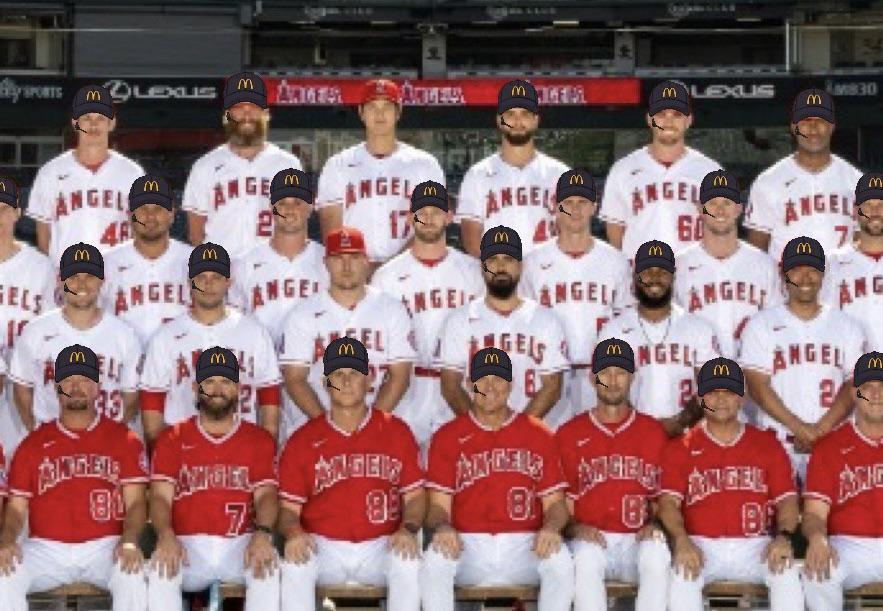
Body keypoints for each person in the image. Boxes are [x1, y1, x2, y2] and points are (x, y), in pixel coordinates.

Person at [421, 347, 575, 611]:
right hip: (468, 545)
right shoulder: (448, 436)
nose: (490, 387)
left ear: (511, 384)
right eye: (483, 379)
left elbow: (556, 505)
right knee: (434, 561)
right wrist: (443, 527)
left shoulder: (538, 433)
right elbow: (437, 507)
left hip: (525, 544)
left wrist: (551, 528)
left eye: (499, 379)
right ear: (470, 384)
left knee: (560, 563)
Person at [278, 337, 425, 611]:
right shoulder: (303, 440)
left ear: (369, 381)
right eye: (338, 374)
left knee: (409, 563)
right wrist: (294, 532)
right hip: (323, 546)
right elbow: (287, 510)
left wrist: (408, 529)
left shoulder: (396, 431)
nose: (346, 382)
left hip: (381, 544)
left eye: (354, 374)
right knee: (294, 566)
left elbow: (416, 498)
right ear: (325, 383)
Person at [0, 344, 148, 611]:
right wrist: (7, 541)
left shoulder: (124, 439)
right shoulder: (32, 444)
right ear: (56, 387)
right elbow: (16, 509)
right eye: (68, 379)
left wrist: (129, 540)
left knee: (133, 575)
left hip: (104, 547)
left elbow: (136, 503)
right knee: (3, 575)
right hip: (46, 550)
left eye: (84, 379)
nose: (76, 386)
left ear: (97, 385)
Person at [658, 357, 804, 611]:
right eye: (713, 393)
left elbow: (787, 500)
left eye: (729, 392)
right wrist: (681, 541)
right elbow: (668, 503)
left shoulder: (767, 444)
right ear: (700, 398)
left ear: (742, 397)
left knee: (786, 571)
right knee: (682, 576)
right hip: (701, 544)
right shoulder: (680, 447)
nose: (721, 400)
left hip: (756, 545)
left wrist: (783, 538)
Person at [147, 347, 280, 611]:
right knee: (159, 570)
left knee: (269, 569)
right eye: (210, 382)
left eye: (225, 382)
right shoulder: (172, 437)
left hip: (240, 542)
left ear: (239, 388)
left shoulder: (258, 438)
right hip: (187, 543)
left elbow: (266, 495)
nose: (217, 389)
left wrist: (263, 534)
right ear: (196, 388)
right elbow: (160, 497)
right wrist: (165, 534)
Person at [740, 235, 867, 482]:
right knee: (780, 519)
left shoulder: (847, 326)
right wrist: (801, 429)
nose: (805, 278)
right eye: (796, 270)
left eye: (812, 270)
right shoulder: (761, 325)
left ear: (823, 274)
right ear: (783, 275)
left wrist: (820, 430)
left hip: (833, 443)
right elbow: (757, 385)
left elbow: (855, 384)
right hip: (776, 443)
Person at [556, 338, 670, 611]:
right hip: (591, 540)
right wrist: (573, 528)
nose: (613, 380)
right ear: (592, 378)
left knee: (657, 556)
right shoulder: (569, 434)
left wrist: (659, 526)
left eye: (620, 373)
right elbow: (558, 503)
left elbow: (665, 499)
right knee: (585, 562)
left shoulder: (653, 432)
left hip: (637, 540)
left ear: (632, 378)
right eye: (606, 373)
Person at [371, 181, 484, 445]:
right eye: (422, 211)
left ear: (449, 216)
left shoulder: (473, 272)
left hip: (460, 386)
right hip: (407, 388)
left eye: (437, 211)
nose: (430, 218)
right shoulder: (387, 277)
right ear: (410, 217)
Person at [139, 242, 282, 450]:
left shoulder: (253, 332)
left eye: (216, 278)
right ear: (189, 283)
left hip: (242, 447)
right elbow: (152, 405)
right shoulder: (165, 337)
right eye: (201, 278)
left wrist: (264, 450)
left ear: (228, 283)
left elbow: (269, 396)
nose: (208, 285)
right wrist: (164, 456)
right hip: (184, 450)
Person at [278, 227, 416, 438]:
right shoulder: (303, 313)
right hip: (317, 430)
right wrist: (329, 428)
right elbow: (295, 379)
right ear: (326, 263)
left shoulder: (391, 309)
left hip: (379, 430)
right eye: (338, 258)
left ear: (366, 261)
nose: (346, 266)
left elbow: (400, 376)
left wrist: (371, 427)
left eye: (353, 257)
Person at [521, 169, 632, 415]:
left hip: (600, 375)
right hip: (547, 375)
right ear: (556, 207)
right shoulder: (532, 261)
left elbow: (627, 325)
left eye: (582, 202)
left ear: (594, 207)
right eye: (568, 202)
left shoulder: (616, 261)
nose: (575, 209)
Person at [437, 225, 571, 429]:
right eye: (493, 260)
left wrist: (516, 432)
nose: (500, 266)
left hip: (530, 436)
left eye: (508, 260)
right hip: (476, 438)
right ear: (482, 267)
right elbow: (450, 386)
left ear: (521, 266)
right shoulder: (459, 320)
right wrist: (481, 428)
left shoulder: (546, 320)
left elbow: (552, 387)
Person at [316, 79, 446, 271]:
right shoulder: (338, 165)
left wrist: (392, 269)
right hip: (354, 271)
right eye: (372, 107)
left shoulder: (424, 165)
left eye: (387, 106)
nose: (379, 114)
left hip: (411, 268)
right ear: (361, 112)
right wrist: (358, 266)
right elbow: (333, 232)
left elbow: (434, 225)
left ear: (398, 112)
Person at [9, 242, 141, 431]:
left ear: (102, 280)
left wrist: (112, 436)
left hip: (105, 440)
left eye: (89, 277)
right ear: (60, 281)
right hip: (50, 437)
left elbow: (131, 398)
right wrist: (36, 432)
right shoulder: (36, 331)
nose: (81, 284)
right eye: (73, 277)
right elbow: (22, 390)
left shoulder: (124, 334)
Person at [597, 239, 720, 436]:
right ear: (636, 278)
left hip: (687, 434)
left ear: (672, 277)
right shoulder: (614, 331)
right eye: (648, 272)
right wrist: (640, 426)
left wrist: (681, 422)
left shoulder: (698, 328)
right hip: (631, 435)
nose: (655, 278)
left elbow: (712, 384)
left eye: (662, 272)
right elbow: (606, 386)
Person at [183, 71, 303, 259]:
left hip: (271, 271)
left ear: (266, 114)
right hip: (222, 272)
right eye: (239, 108)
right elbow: (196, 233)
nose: (247, 115)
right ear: (227, 116)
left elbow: (298, 224)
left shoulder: (287, 164)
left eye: (253, 107)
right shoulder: (205, 166)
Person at [600, 80, 720, 260]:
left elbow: (720, 228)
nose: (669, 121)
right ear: (650, 119)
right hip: (642, 276)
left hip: (694, 274)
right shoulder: (624, 169)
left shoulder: (709, 170)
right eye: (662, 114)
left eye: (677, 114)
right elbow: (615, 230)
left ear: (689, 120)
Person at [802, 351, 883, 611]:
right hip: (848, 546)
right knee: (818, 572)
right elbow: (814, 513)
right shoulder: (830, 447)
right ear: (854, 394)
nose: (876, 394)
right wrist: (817, 539)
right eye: (867, 387)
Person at [26, 85, 143, 264]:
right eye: (87, 118)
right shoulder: (51, 172)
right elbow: (44, 233)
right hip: (67, 277)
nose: (94, 125)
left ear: (112, 123)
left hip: (118, 275)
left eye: (100, 118)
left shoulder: (132, 173)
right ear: (75, 123)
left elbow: (140, 229)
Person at [674, 169, 782, 360]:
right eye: (713, 203)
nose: (720, 210)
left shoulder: (764, 264)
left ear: (739, 208)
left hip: (751, 373)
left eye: (727, 203)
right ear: (700, 209)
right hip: (695, 375)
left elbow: (777, 327)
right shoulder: (679, 265)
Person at [745, 88, 863, 261]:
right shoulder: (768, 182)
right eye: (806, 121)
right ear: (794, 127)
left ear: (832, 126)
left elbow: (865, 245)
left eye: (820, 121)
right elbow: (756, 252)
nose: (813, 128)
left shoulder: (855, 181)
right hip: (786, 285)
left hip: (841, 283)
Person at [455, 79, 568, 258]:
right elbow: (471, 239)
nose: (517, 121)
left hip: (547, 277)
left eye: (525, 114)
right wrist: (502, 273)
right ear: (499, 120)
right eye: (510, 114)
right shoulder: (477, 174)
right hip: (498, 279)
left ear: (536, 120)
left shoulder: (560, 174)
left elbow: (572, 232)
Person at [229, 168, 327, 346]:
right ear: (271, 207)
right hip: (260, 366)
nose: (289, 210)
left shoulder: (328, 262)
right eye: (282, 203)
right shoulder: (244, 263)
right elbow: (231, 326)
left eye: (297, 202)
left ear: (311, 205)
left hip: (315, 367)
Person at [0, 176, 55, 460]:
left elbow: (52, 332)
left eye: (3, 209)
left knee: (23, 469)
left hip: (26, 384)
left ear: (17, 213)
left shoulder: (41, 267)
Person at [101, 175, 191, 347]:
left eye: (158, 209)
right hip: (124, 363)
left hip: (182, 363)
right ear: (130, 215)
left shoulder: (193, 261)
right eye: (143, 209)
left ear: (171, 214)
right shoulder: (106, 264)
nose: (150, 216)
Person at [822, 172, 883, 351]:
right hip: (852, 369)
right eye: (868, 205)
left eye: (881, 205)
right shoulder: (832, 263)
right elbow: (822, 322)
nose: (875, 212)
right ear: (856, 211)